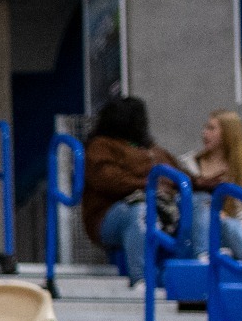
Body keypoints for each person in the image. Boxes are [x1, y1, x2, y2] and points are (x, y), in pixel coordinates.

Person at [82, 96, 192, 284]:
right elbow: (107, 180)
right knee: (141, 213)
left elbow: (184, 177)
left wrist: (209, 184)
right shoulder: (101, 146)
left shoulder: (155, 150)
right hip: (112, 213)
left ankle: (195, 265)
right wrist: (147, 183)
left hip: (163, 206)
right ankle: (142, 279)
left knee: (198, 202)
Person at [181, 109, 242, 263]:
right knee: (203, 201)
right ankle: (204, 254)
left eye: (211, 128)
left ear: (228, 133)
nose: (205, 133)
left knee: (236, 224)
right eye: (205, 127)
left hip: (234, 226)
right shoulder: (190, 164)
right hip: (195, 231)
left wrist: (227, 218)